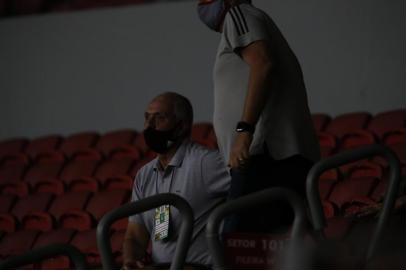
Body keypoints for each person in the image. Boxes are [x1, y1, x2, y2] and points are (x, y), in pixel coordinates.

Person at [197, 0, 320, 232]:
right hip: (264, 156)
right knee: (276, 250)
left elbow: (263, 64)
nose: (202, 4)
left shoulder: (238, 13)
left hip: (264, 155)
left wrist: (244, 132)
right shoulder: (240, 24)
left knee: (238, 247)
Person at [122, 92, 231, 270]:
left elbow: (249, 180)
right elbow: (134, 236)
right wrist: (130, 260)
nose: (149, 126)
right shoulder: (144, 175)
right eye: (147, 118)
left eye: (159, 118)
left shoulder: (205, 163)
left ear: (181, 126)